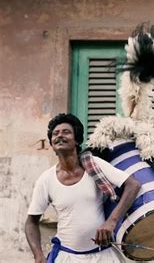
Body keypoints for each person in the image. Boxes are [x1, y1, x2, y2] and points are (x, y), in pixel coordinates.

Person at [25, 113, 141, 263]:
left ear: (77, 140)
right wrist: (38, 255)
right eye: (55, 133)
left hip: (103, 256)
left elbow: (133, 185)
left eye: (66, 132)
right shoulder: (46, 180)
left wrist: (112, 221)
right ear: (52, 143)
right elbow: (31, 222)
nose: (59, 136)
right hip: (67, 256)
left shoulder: (94, 165)